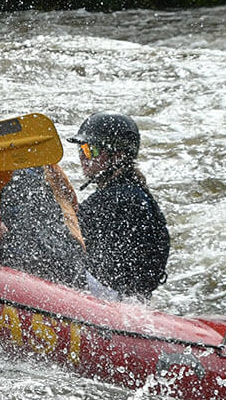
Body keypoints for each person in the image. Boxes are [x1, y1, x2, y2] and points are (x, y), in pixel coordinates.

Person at [68, 112, 169, 299]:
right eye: (81, 149)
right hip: (128, 298)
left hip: (112, 301)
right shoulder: (134, 192)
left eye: (91, 150)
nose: (83, 156)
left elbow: (68, 239)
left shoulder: (117, 200)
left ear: (118, 156)